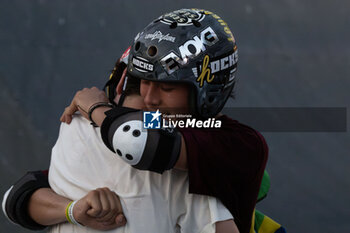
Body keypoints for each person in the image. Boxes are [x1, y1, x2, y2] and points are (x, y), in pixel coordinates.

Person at [3, 8, 268, 233]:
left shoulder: (238, 142)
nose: (150, 99)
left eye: (166, 87)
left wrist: (94, 106)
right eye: (142, 83)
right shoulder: (120, 138)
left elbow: (138, 141)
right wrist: (74, 209)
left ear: (207, 87)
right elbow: (18, 196)